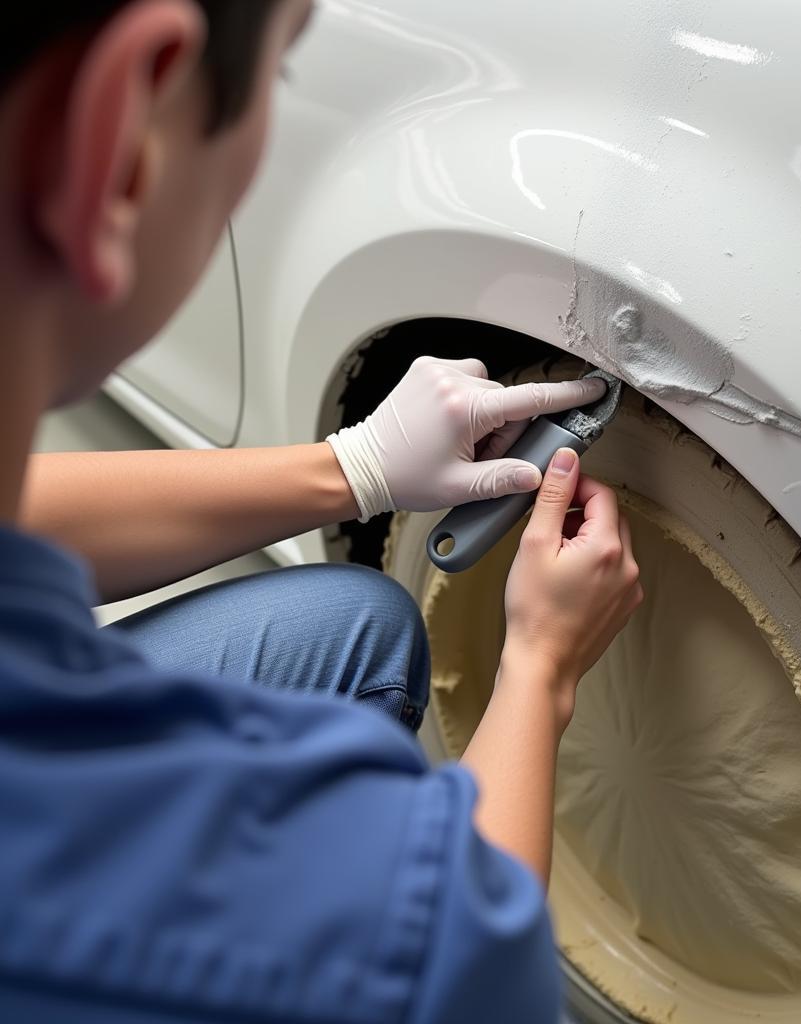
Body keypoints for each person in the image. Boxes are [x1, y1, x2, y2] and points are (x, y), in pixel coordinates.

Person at [0, 2, 643, 1022]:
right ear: (117, 145)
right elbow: (469, 957)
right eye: (280, 78)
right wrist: (539, 670)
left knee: (351, 627)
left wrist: (361, 466)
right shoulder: (368, 929)